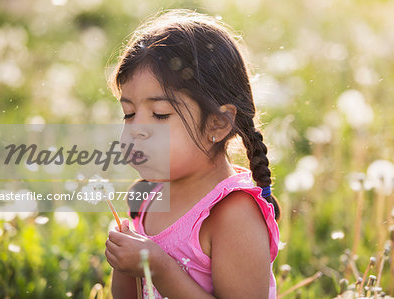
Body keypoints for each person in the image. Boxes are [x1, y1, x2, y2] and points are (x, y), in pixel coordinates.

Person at [104, 8, 281, 299]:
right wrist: (125, 263)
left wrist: (159, 267)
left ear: (217, 123)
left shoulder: (234, 214)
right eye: (129, 113)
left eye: (159, 114)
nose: (137, 129)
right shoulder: (151, 198)